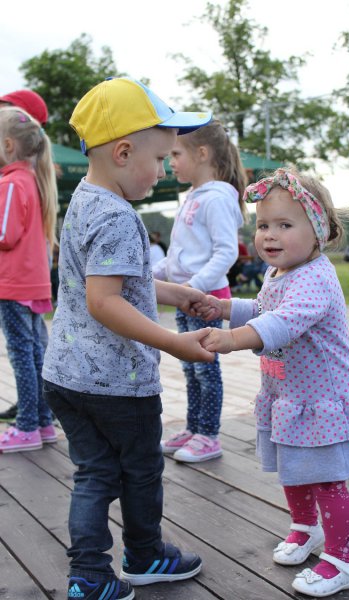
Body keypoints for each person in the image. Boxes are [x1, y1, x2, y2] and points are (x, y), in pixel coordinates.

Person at [41, 77, 214, 600]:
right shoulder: (118, 216)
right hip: (118, 381)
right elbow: (105, 301)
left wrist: (174, 292)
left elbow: (108, 280)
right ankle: (145, 554)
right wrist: (172, 342)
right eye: (158, 159)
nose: (162, 171)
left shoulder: (84, 201)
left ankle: (89, 575)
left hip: (66, 376)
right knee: (140, 471)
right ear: (122, 152)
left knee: (94, 474)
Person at [198, 167, 349, 597]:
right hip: (290, 397)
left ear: (319, 232)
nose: (269, 235)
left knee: (326, 479)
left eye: (285, 225)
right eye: (263, 225)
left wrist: (232, 339)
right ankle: (305, 528)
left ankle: (342, 560)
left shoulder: (316, 278)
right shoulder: (279, 273)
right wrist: (226, 309)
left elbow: (283, 322)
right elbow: (265, 308)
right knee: (293, 469)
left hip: (323, 401)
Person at [153, 120, 248, 462]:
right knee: (191, 367)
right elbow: (180, 254)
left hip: (206, 302)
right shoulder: (193, 196)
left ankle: (209, 434)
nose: (170, 162)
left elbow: (226, 252)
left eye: (176, 154)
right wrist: (153, 275)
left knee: (206, 369)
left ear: (203, 154)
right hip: (185, 299)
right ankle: (193, 428)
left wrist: (194, 288)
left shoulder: (217, 198)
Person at [0, 107, 58, 451]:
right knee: (35, 353)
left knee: (22, 355)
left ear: (8, 145)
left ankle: (26, 428)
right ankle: (42, 422)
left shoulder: (10, 183)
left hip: (13, 285)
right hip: (33, 284)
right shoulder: (34, 182)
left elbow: (5, 234)